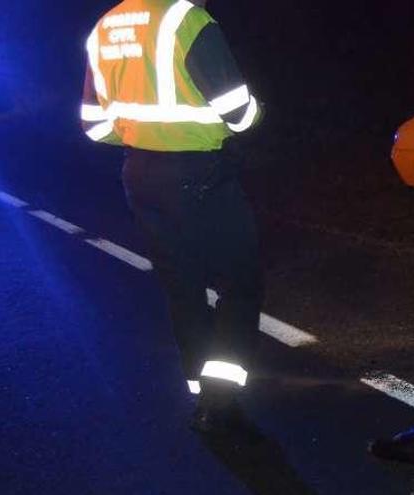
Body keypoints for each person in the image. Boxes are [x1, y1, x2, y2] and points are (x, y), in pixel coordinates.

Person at [80, 0, 263, 431]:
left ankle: (201, 393)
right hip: (199, 175)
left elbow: (94, 124)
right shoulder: (187, 20)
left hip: (139, 175)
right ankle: (220, 403)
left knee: (182, 289)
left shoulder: (105, 26)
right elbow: (239, 112)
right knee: (241, 285)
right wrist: (254, 114)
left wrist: (141, 133)